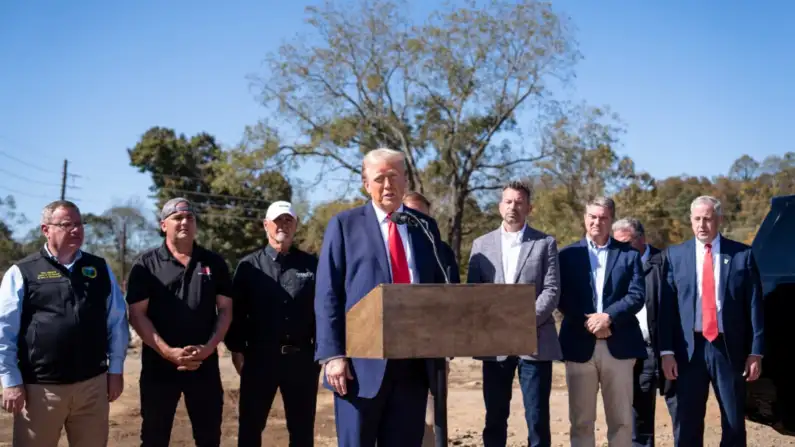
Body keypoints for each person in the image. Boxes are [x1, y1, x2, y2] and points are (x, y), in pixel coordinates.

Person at [315, 147, 449, 446]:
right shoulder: (344, 225)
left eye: (394, 176)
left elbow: (439, 290)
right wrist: (334, 355)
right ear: (366, 184)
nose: (387, 185)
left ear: (405, 180)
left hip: (413, 365)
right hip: (360, 369)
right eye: (379, 178)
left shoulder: (424, 226)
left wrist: (442, 347)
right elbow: (328, 294)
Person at [0, 199, 129, 446]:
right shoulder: (23, 272)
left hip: (92, 386)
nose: (76, 230)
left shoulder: (99, 268)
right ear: (45, 229)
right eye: (67, 224)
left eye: (79, 224)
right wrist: (11, 381)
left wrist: (116, 370)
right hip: (40, 390)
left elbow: (116, 322)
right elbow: (3, 330)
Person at [125, 198, 234, 447]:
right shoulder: (146, 265)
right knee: (154, 436)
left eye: (190, 218)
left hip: (204, 365)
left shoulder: (213, 263)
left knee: (209, 437)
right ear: (164, 225)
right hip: (159, 366)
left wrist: (208, 348)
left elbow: (226, 309)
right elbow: (137, 314)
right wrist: (167, 351)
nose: (185, 222)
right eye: (177, 218)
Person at [658, 195, 764, 447]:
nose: (702, 225)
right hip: (688, 351)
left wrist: (756, 353)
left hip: (728, 349)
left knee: (734, 421)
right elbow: (667, 310)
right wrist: (667, 352)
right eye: (697, 219)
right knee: (688, 422)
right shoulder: (674, 256)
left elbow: (754, 306)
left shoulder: (742, 255)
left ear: (719, 220)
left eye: (707, 219)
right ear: (690, 220)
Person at [467, 181, 560, 447]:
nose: (513, 207)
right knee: (495, 415)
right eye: (508, 201)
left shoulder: (545, 243)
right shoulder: (481, 244)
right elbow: (475, 294)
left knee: (537, 416)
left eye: (519, 202)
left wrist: (524, 323)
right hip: (494, 343)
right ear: (499, 207)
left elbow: (552, 290)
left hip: (535, 340)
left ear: (529, 208)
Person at [225, 200, 320, 447]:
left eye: (288, 220)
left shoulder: (311, 265)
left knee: (301, 431)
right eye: (277, 221)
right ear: (266, 225)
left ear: (295, 225)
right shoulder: (248, 266)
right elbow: (237, 312)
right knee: (250, 428)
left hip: (301, 361)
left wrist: (322, 353)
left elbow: (323, 310)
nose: (283, 225)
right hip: (259, 359)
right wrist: (236, 350)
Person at [557, 196, 647, 447]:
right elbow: (560, 296)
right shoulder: (567, 255)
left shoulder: (629, 255)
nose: (597, 222)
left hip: (619, 346)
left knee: (621, 420)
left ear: (611, 220)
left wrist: (609, 318)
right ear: (585, 219)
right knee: (581, 421)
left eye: (603, 217)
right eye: (592, 217)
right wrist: (590, 322)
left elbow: (637, 295)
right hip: (579, 344)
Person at [612, 217, 678, 447]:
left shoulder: (666, 262)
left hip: (667, 350)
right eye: (617, 243)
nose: (622, 248)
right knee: (638, 422)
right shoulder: (616, 266)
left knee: (682, 414)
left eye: (627, 242)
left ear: (642, 239)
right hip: (633, 351)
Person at [402, 191, 460, 447]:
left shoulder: (442, 251)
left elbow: (453, 295)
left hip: (433, 348)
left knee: (433, 415)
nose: (414, 220)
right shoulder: (389, 247)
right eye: (408, 215)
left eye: (420, 215)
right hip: (396, 347)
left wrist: (448, 348)